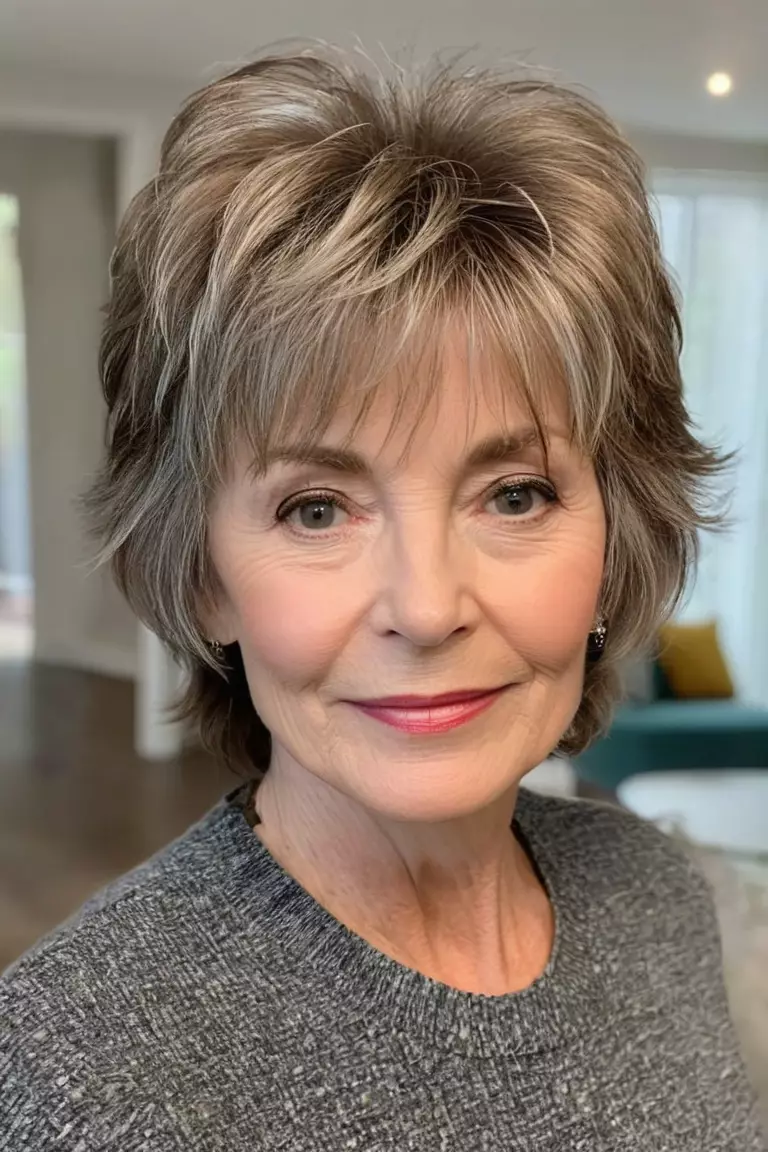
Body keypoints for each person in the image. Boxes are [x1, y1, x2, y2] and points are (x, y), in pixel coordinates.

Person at [1, 45, 764, 1152]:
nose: (426, 604)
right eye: (317, 508)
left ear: (615, 538)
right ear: (205, 574)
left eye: (514, 493)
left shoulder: (657, 895)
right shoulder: (76, 1072)